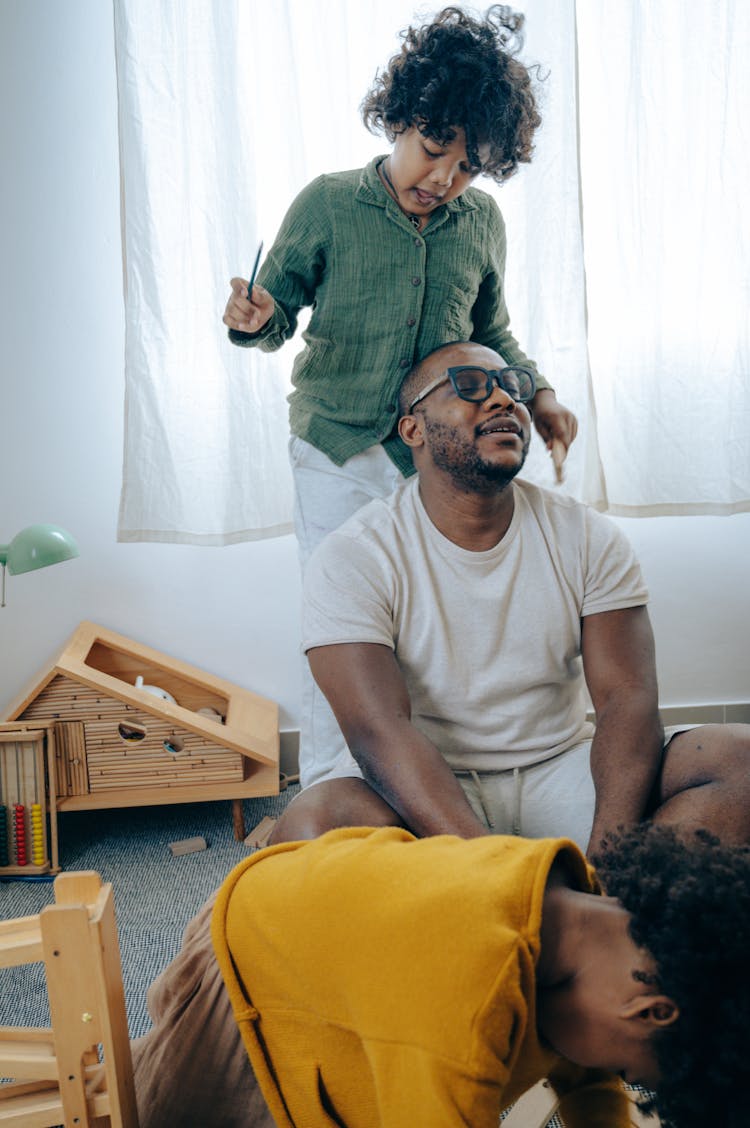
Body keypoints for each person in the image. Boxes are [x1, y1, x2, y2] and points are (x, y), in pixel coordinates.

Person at [222, 6, 578, 781]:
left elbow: (494, 332)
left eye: (468, 165)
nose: (444, 177)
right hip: (337, 445)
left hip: (436, 457)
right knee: (341, 623)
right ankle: (330, 787)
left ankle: (428, 782)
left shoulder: (480, 222)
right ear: (399, 120)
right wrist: (255, 318)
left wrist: (540, 394)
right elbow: (274, 309)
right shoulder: (327, 203)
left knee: (432, 622)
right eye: (432, 149)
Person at [269, 339, 749, 854]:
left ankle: (590, 902)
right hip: (429, 788)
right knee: (310, 828)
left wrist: (610, 857)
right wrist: (490, 867)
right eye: (470, 386)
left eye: (512, 386)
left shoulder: (587, 536)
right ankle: (566, 911)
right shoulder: (354, 555)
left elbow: (625, 698)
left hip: (565, 769)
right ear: (413, 429)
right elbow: (378, 731)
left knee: (739, 761)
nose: (503, 400)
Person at [133, 823, 750, 1128]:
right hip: (249, 967)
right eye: (626, 1069)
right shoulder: (465, 1003)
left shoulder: (585, 914)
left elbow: (588, 1084)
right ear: (651, 1011)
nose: (609, 1074)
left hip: (335, 919)